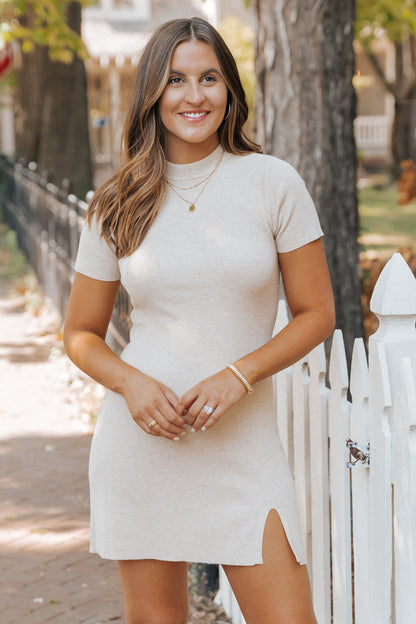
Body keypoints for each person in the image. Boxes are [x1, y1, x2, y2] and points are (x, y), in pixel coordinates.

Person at [64, 16, 335, 624]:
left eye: (209, 77)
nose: (194, 96)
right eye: (175, 80)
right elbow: (79, 332)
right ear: (152, 95)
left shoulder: (273, 184)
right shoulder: (117, 203)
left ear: (230, 89)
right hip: (144, 442)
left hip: (243, 439)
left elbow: (317, 313)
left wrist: (238, 374)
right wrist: (131, 383)